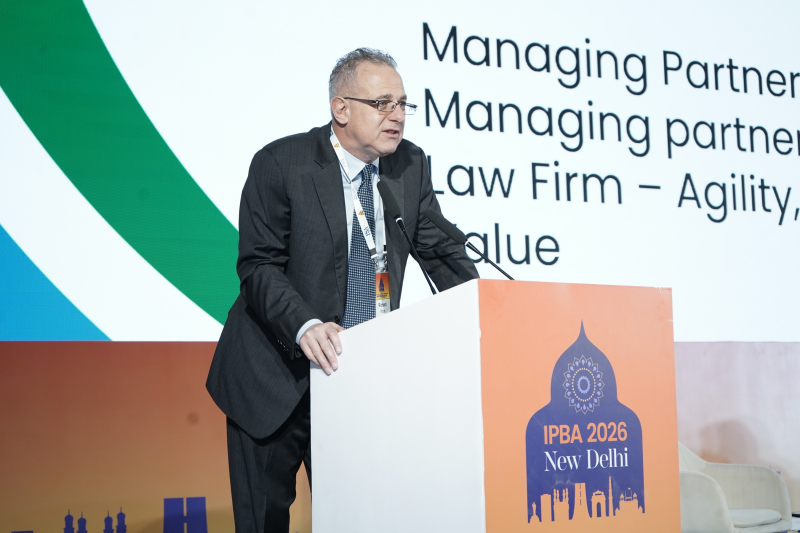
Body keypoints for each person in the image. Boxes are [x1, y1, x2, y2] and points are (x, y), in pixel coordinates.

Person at [206, 48, 478, 532]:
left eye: (403, 104)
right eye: (382, 103)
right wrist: (305, 324)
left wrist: (488, 308)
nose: (397, 116)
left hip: (357, 381)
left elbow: (440, 250)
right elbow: (259, 266)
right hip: (275, 373)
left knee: (359, 517)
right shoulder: (282, 163)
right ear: (341, 108)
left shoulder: (409, 165)